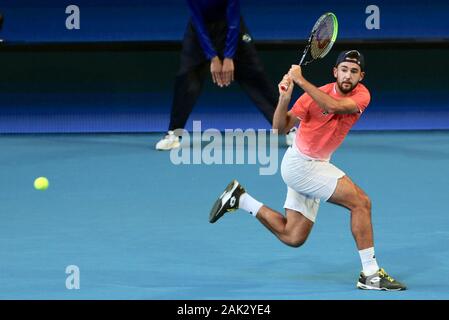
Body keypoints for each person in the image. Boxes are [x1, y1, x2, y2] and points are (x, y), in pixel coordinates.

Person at [209, 50, 406, 291]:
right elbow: (279, 128)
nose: (348, 76)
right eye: (344, 70)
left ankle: (241, 199)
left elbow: (333, 106)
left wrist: (301, 80)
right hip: (301, 166)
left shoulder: (362, 95)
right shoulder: (311, 97)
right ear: (335, 72)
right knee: (361, 202)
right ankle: (371, 274)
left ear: (360, 76)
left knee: (293, 236)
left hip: (315, 165)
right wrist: (284, 98)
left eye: (354, 72)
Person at [155, 0, 296, 150]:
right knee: (186, 78)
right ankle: (173, 133)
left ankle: (289, 129)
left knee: (256, 76)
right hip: (200, 30)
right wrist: (213, 57)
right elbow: (197, 18)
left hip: (231, 26)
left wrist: (229, 56)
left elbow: (233, 18)